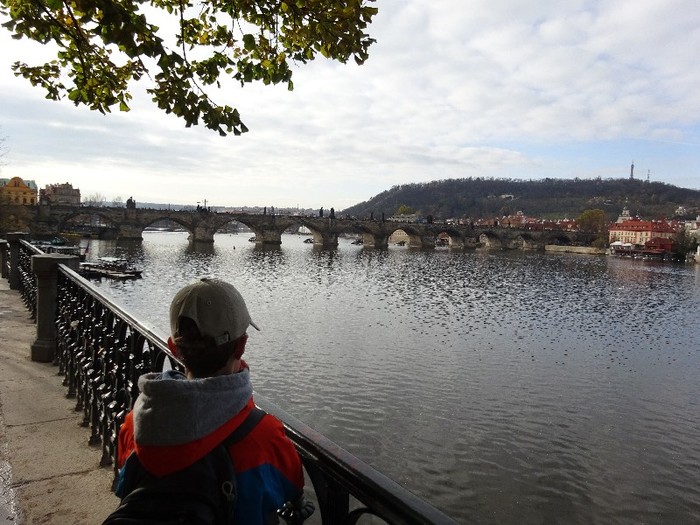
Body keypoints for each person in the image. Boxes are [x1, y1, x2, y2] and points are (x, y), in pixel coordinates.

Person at [115, 277, 310, 524]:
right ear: (241, 346)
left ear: (173, 348)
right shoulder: (264, 436)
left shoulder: (134, 424)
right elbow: (292, 486)